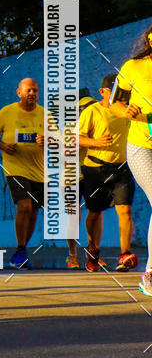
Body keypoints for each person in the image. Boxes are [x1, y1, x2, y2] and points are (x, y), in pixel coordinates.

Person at [78, 74, 136, 273]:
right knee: (94, 213)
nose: (120, 97)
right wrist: (96, 143)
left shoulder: (128, 111)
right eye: (114, 92)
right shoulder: (92, 111)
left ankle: (124, 255)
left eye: (123, 93)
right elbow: (78, 138)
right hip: (95, 170)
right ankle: (92, 251)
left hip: (121, 169)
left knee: (125, 210)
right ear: (102, 92)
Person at [0, 79, 45, 270]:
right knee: (24, 205)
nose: (32, 93)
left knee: (34, 212)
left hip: (39, 171)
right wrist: (3, 146)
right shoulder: (7, 112)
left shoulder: (45, 114)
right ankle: (20, 248)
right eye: (28, 90)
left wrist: (48, 140)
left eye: (35, 90)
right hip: (15, 169)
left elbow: (57, 139)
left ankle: (22, 249)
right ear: (19, 92)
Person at [112, 25, 152, 295]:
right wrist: (127, 111)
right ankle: (150, 274)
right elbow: (115, 103)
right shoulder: (133, 67)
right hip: (141, 146)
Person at [66, 90, 96, 269]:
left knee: (95, 213)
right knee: (73, 216)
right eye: (85, 109)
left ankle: (93, 253)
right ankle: (72, 255)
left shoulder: (98, 126)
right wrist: (84, 141)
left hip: (92, 174)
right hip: (71, 176)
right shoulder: (70, 129)